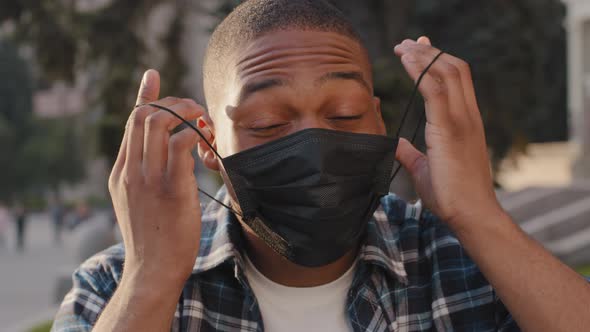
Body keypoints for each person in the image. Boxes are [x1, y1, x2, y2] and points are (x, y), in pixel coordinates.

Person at [52, 1, 590, 331]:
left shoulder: (467, 266)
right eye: (265, 123)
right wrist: (150, 281)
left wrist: (479, 216)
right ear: (209, 146)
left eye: (344, 113)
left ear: (379, 123)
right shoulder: (112, 285)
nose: (313, 144)